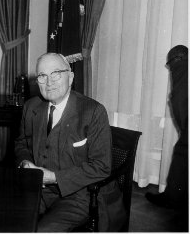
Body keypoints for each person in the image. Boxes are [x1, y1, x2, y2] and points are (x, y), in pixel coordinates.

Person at [15, 52, 125, 232]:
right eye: (43, 76)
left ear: (71, 77)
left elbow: (102, 166)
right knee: (6, 221)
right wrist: (25, 162)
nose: (49, 82)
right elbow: (22, 144)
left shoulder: (93, 111)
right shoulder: (31, 107)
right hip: (38, 191)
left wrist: (54, 177)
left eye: (56, 73)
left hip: (81, 195)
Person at [146, 46, 188, 217]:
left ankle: (172, 198)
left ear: (177, 59)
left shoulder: (183, 70)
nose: (170, 69)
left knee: (182, 154)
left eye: (170, 64)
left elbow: (180, 104)